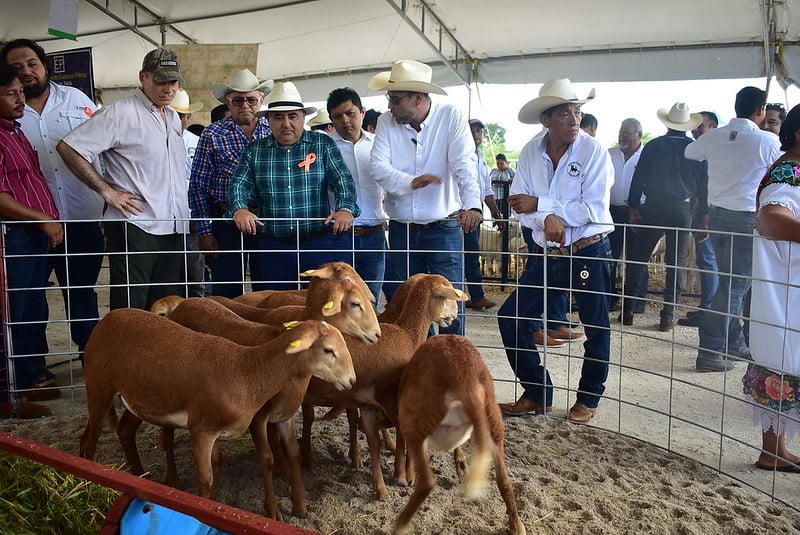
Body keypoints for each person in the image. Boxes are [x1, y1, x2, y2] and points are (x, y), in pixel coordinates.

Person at [496, 78, 614, 424]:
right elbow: (519, 203)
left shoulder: (594, 152)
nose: (574, 119)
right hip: (547, 252)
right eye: (565, 113)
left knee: (596, 325)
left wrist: (542, 204)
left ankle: (589, 396)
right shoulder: (531, 151)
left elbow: (593, 209)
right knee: (511, 316)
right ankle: (536, 391)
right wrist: (546, 214)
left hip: (588, 249)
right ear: (546, 120)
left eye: (577, 112)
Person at [56, 48, 190, 311]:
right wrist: (107, 192)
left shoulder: (173, 116)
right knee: (131, 307)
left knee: (168, 305)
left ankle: (159, 353)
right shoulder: (118, 113)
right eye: (161, 80)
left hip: (173, 225)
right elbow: (69, 148)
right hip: (136, 224)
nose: (168, 88)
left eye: (173, 81)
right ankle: (125, 353)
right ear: (143, 77)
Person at [0, 39, 103, 369]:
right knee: (30, 297)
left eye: (32, 63)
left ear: (44, 64)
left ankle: (93, 360)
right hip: (30, 225)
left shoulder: (76, 99)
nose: (26, 72)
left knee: (82, 292)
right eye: (17, 68)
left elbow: (105, 147)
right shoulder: (9, 116)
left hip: (82, 216)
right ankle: (33, 367)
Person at [368, 59, 482, 336]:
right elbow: (377, 168)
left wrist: (473, 205)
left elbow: (464, 164)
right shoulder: (386, 122)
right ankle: (419, 365)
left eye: (394, 99)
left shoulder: (451, 117)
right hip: (402, 228)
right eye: (389, 99)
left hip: (444, 225)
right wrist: (411, 182)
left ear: (417, 98)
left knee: (450, 302)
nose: (389, 106)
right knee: (407, 304)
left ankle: (452, 367)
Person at [685, 86, 782, 372]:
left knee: (729, 282)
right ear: (760, 111)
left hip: (717, 216)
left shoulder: (714, 137)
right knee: (735, 286)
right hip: (745, 218)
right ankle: (710, 349)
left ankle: (733, 342)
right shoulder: (766, 141)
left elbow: (691, 151)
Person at [228, 81, 359, 288]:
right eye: (279, 117)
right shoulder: (255, 151)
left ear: (303, 117)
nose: (286, 123)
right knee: (275, 307)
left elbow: (343, 179)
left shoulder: (322, 144)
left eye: (293, 116)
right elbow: (238, 184)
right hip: (273, 246)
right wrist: (240, 209)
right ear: (269, 120)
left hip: (317, 243)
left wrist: (345, 208)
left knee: (320, 304)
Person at [0, 64, 63, 417]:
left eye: (20, 92)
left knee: (32, 308)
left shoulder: (14, 131)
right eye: (11, 93)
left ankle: (25, 381)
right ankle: (12, 393)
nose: (20, 98)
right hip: (15, 234)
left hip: (33, 234)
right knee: (16, 310)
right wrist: (42, 219)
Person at [743, 104, 800, 472]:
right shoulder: (789, 171)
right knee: (782, 355)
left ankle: (774, 449)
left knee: (780, 356)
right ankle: (773, 450)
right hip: (786, 284)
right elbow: (770, 218)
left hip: (786, 281)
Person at [621, 103, 708, 332]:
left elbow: (639, 178)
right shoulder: (695, 149)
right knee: (675, 263)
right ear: (686, 126)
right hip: (681, 209)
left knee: (639, 258)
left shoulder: (653, 145)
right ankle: (667, 316)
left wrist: (632, 207)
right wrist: (703, 216)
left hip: (653, 207)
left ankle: (628, 309)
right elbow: (703, 186)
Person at [188, 68, 273, 297]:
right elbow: (198, 186)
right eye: (238, 100)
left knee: (268, 287)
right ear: (228, 102)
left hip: (267, 221)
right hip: (225, 223)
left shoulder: (274, 130)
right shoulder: (212, 134)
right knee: (226, 290)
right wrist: (205, 232)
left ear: (261, 100)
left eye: (251, 99)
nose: (245, 104)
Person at [326, 87, 387, 303]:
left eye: (350, 113)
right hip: (339, 235)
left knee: (372, 300)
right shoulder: (325, 147)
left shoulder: (379, 144)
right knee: (340, 300)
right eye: (338, 116)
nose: (345, 121)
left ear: (362, 112)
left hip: (374, 234)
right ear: (331, 119)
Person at [678, 111, 720, 327]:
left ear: (713, 128)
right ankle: (707, 307)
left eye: (700, 126)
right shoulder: (702, 152)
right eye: (694, 126)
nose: (695, 130)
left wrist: (703, 217)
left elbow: (705, 188)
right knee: (705, 260)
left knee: (708, 259)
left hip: (708, 213)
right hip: (701, 211)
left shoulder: (712, 153)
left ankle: (709, 310)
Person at [464, 118, 504, 311]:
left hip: (476, 210)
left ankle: (475, 295)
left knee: (471, 254)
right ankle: (474, 296)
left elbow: (486, 189)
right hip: (461, 211)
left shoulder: (481, 158)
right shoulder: (460, 153)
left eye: (480, 131)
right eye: (473, 130)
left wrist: (497, 213)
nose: (477, 134)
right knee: (463, 256)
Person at [607, 118, 645, 312]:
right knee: (610, 256)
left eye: (627, 133)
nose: (622, 136)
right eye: (621, 132)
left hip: (637, 212)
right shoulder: (609, 154)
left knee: (637, 257)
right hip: (611, 211)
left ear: (638, 135)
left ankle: (636, 301)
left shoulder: (646, 155)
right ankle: (609, 299)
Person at [172, 88, 206, 298]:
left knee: (194, 273)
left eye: (181, 115)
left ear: (188, 117)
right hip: (162, 219)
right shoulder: (152, 140)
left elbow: (201, 182)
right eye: (173, 114)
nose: (177, 119)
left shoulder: (197, 142)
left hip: (190, 216)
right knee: (168, 275)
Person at [489, 153, 515, 219]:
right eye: (498, 164)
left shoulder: (510, 171)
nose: (499, 165)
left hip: (506, 197)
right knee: (496, 214)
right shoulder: (493, 171)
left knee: (505, 215)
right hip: (495, 197)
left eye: (501, 163)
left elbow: (517, 179)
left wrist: (509, 180)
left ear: (506, 162)